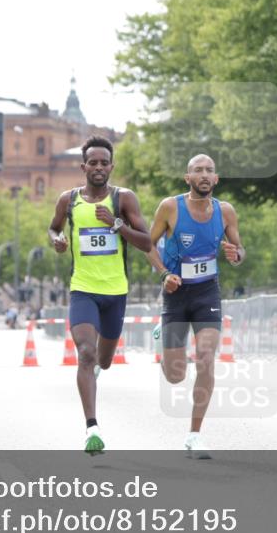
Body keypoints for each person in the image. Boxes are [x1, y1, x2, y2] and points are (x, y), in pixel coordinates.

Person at [47, 135, 151, 454]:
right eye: (93, 162)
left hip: (115, 292)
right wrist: (58, 240)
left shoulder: (124, 199)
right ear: (83, 167)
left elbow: (147, 242)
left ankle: (94, 373)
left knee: (104, 361)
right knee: (86, 354)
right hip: (83, 289)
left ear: (111, 166)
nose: (98, 167)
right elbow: (53, 228)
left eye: (104, 162)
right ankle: (92, 428)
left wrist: (117, 225)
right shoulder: (69, 200)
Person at [147, 154, 245, 459]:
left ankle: (194, 435)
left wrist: (235, 255)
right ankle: (163, 338)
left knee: (205, 358)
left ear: (216, 179)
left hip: (207, 294)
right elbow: (147, 245)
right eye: (197, 170)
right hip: (175, 293)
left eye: (209, 171)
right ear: (187, 178)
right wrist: (164, 275)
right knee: (175, 376)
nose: (204, 174)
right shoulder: (170, 207)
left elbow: (239, 250)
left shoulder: (226, 211)